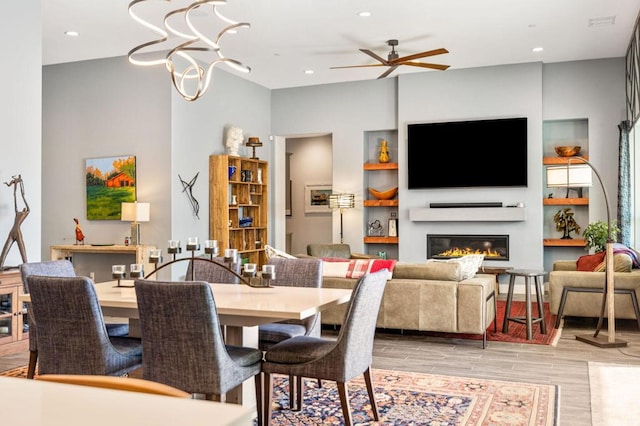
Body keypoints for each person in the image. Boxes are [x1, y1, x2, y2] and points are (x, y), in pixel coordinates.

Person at [0, 175, 29, 269]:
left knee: (22, 250)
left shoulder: (26, 212)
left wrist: (22, 194)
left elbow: (24, 199)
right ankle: (1, 265)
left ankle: (26, 265)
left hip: (17, 232)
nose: (23, 208)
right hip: (12, 231)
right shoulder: (17, 213)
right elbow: (15, 203)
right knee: (5, 249)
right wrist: (14, 193)